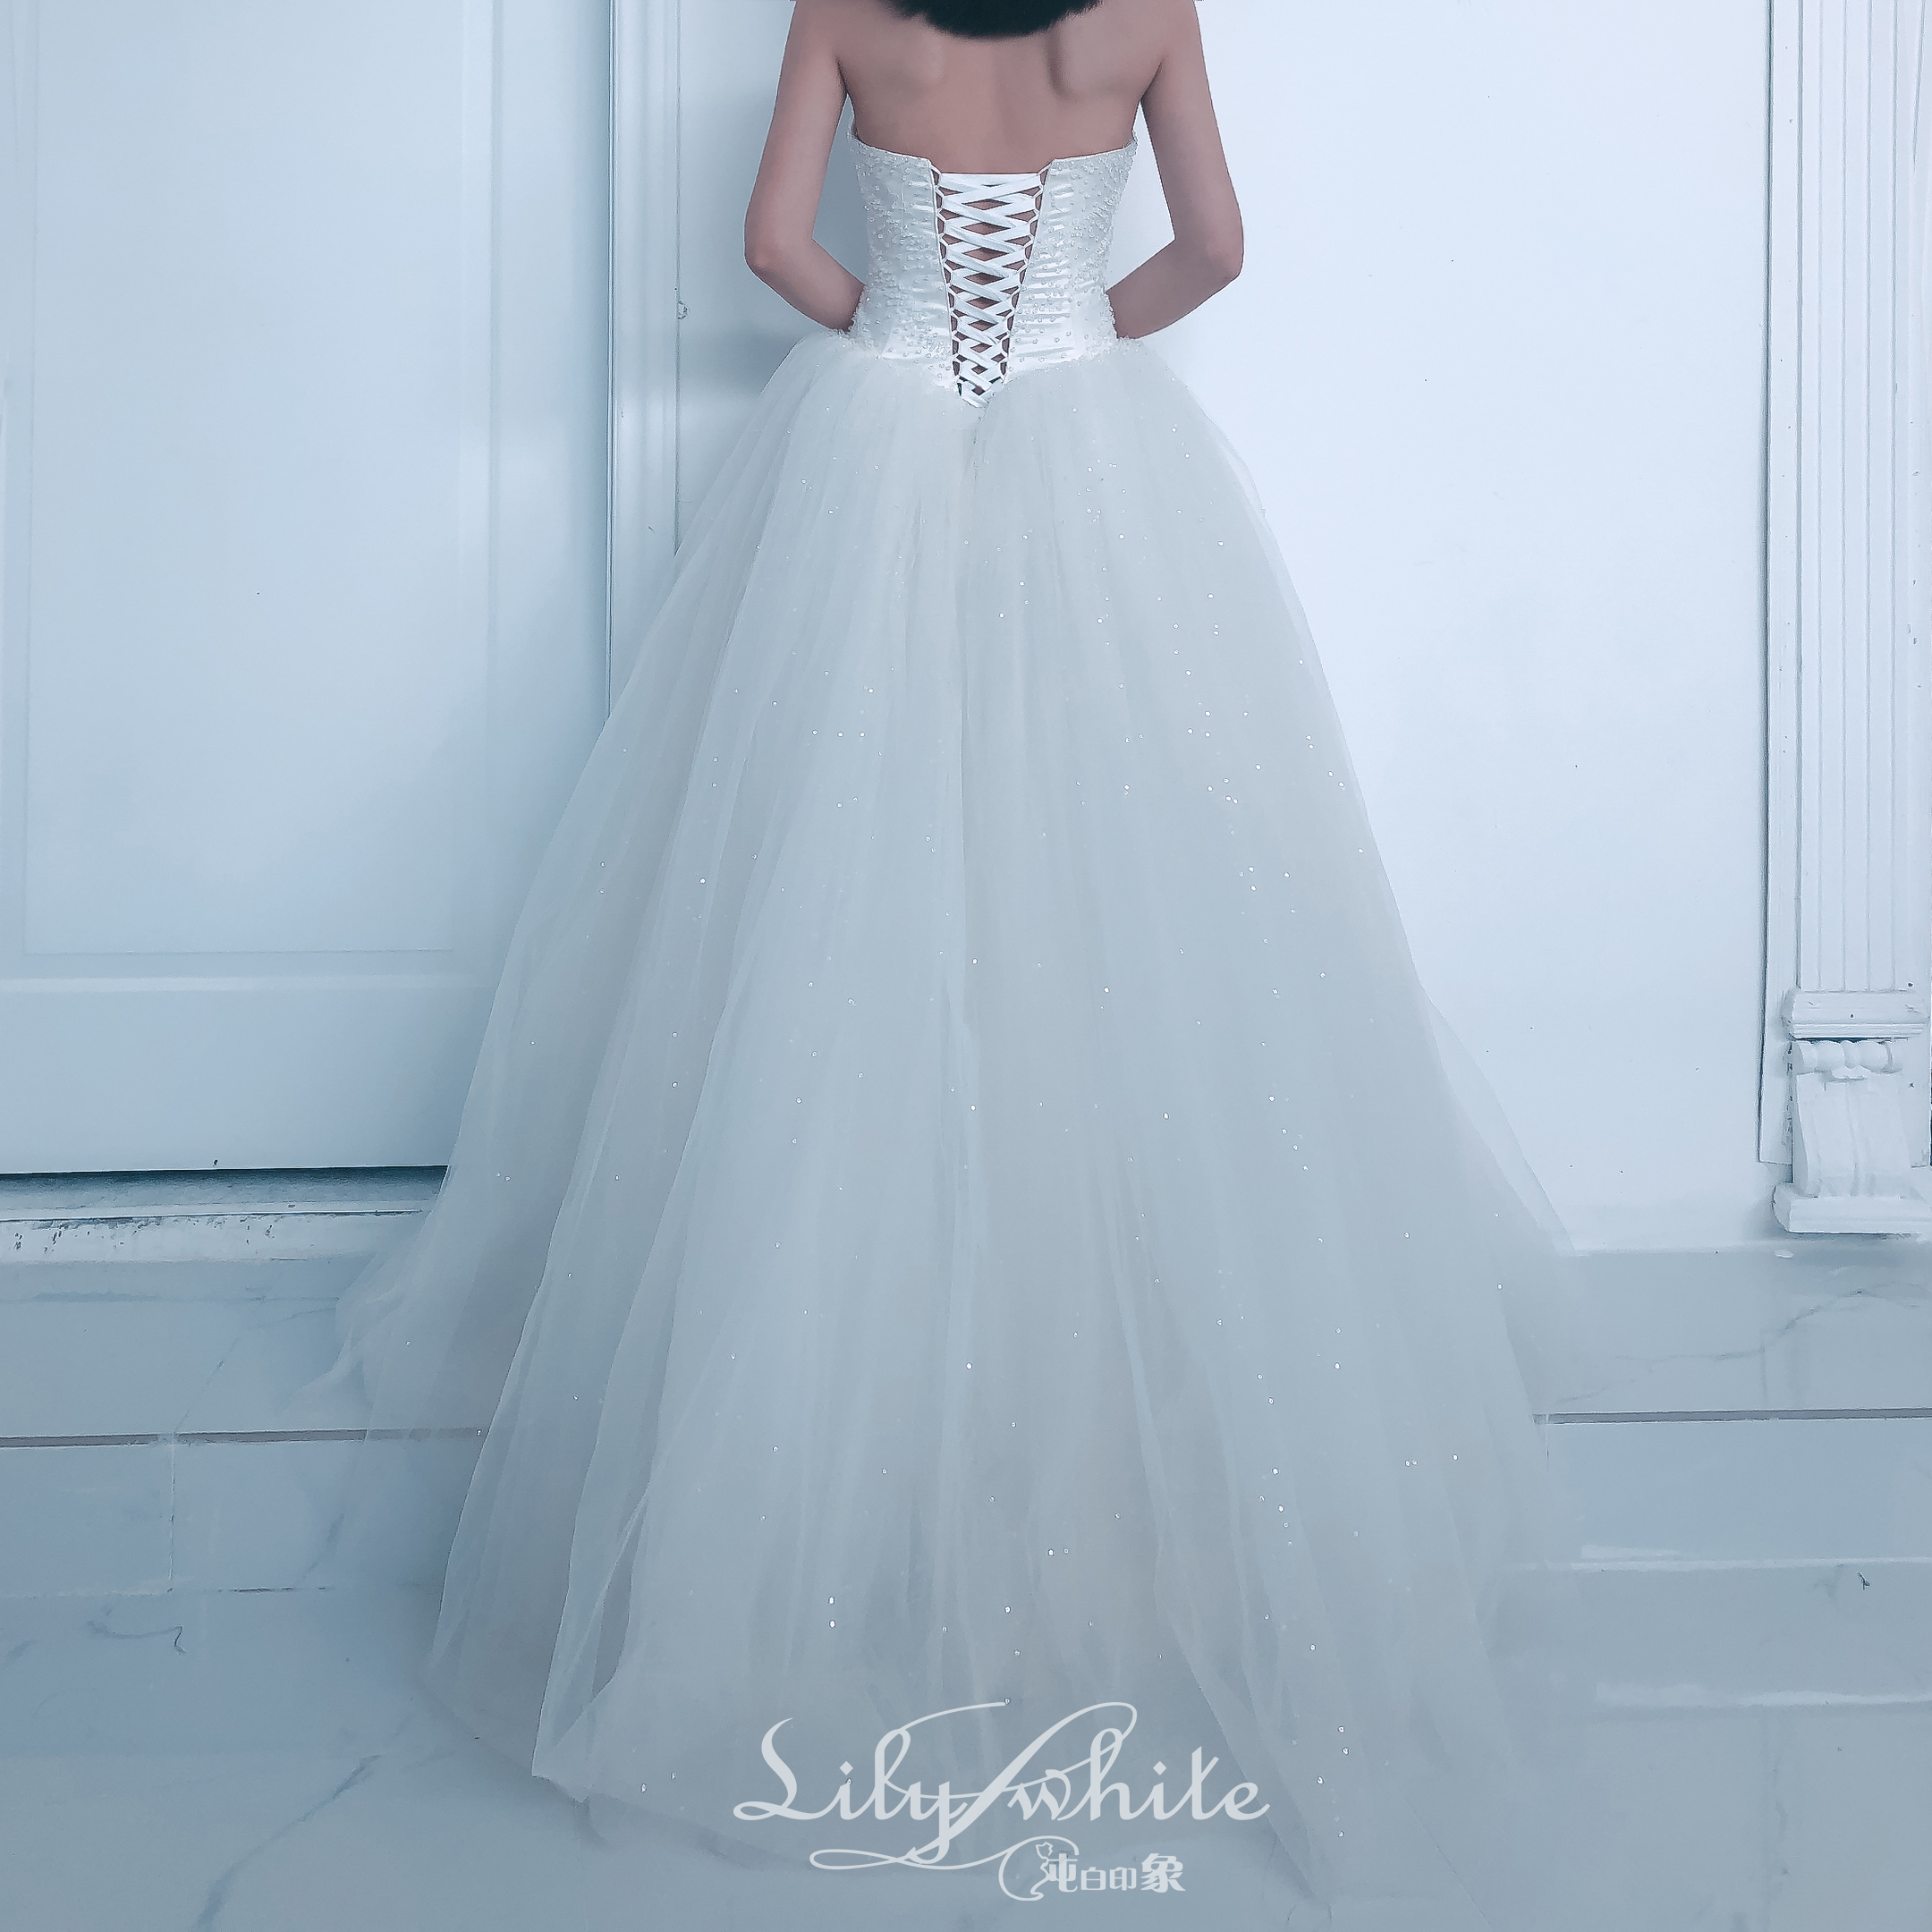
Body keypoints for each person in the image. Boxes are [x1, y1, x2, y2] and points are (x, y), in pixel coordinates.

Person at [300, 2, 1604, 1923]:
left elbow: (774, 244)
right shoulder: (1144, 15)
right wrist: (1071, 350)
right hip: (1095, 444)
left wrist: (904, 345)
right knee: (1123, 894)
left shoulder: (848, 11)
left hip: (875, 443)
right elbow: (1216, 246)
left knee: (832, 903)